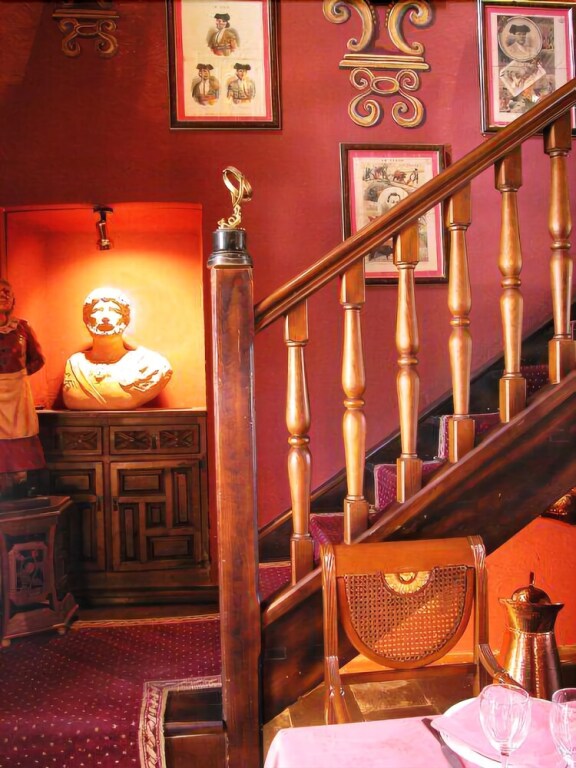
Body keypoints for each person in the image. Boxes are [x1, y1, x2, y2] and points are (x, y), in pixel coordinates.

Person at [62, 287, 173, 411]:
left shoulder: (148, 364)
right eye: (97, 310)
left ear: (125, 319)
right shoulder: (75, 364)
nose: (105, 317)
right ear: (87, 319)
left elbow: (162, 368)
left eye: (114, 310)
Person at [0, 279, 46, 498]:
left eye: (7, 292)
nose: (3, 295)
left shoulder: (22, 328)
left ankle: (19, 484)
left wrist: (19, 376)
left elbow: (38, 359)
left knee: (20, 433)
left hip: (18, 393)